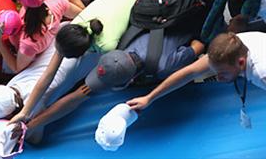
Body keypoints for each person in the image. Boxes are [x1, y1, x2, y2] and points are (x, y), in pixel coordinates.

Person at [8, 0, 139, 127]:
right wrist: (25, 112)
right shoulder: (73, 26)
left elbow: (82, 92)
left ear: (81, 53)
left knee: (88, 86)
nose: (57, 55)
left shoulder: (107, 46)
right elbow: (48, 74)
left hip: (136, 4)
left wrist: (34, 125)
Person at [25, 33, 204, 132]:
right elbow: (81, 93)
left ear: (129, 82)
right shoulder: (122, 42)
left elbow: (199, 45)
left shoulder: (164, 65)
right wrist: (32, 125)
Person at [127, 32, 266, 112]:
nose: (218, 78)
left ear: (241, 62)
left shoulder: (261, 73)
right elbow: (190, 72)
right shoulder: (230, 48)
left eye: (222, 73)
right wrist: (149, 98)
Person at [0, 0, 84, 73]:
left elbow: (17, 68)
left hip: (25, 61)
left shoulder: (28, 42)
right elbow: (83, 12)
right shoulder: (58, 3)